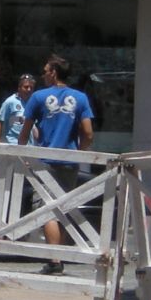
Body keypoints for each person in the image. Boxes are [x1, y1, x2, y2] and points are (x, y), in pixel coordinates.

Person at [18, 55, 95, 275]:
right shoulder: (80, 98)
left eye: (45, 71)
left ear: (53, 73)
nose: (42, 75)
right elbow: (88, 133)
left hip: (45, 161)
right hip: (69, 161)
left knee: (46, 209)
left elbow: (24, 133)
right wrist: (80, 152)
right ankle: (59, 255)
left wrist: (22, 153)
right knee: (63, 208)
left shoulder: (38, 97)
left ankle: (54, 259)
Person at [0, 73, 36, 144]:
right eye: (26, 87)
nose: (29, 89)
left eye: (31, 87)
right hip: (13, 144)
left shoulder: (34, 103)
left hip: (29, 146)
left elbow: (34, 126)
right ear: (19, 88)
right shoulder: (10, 101)